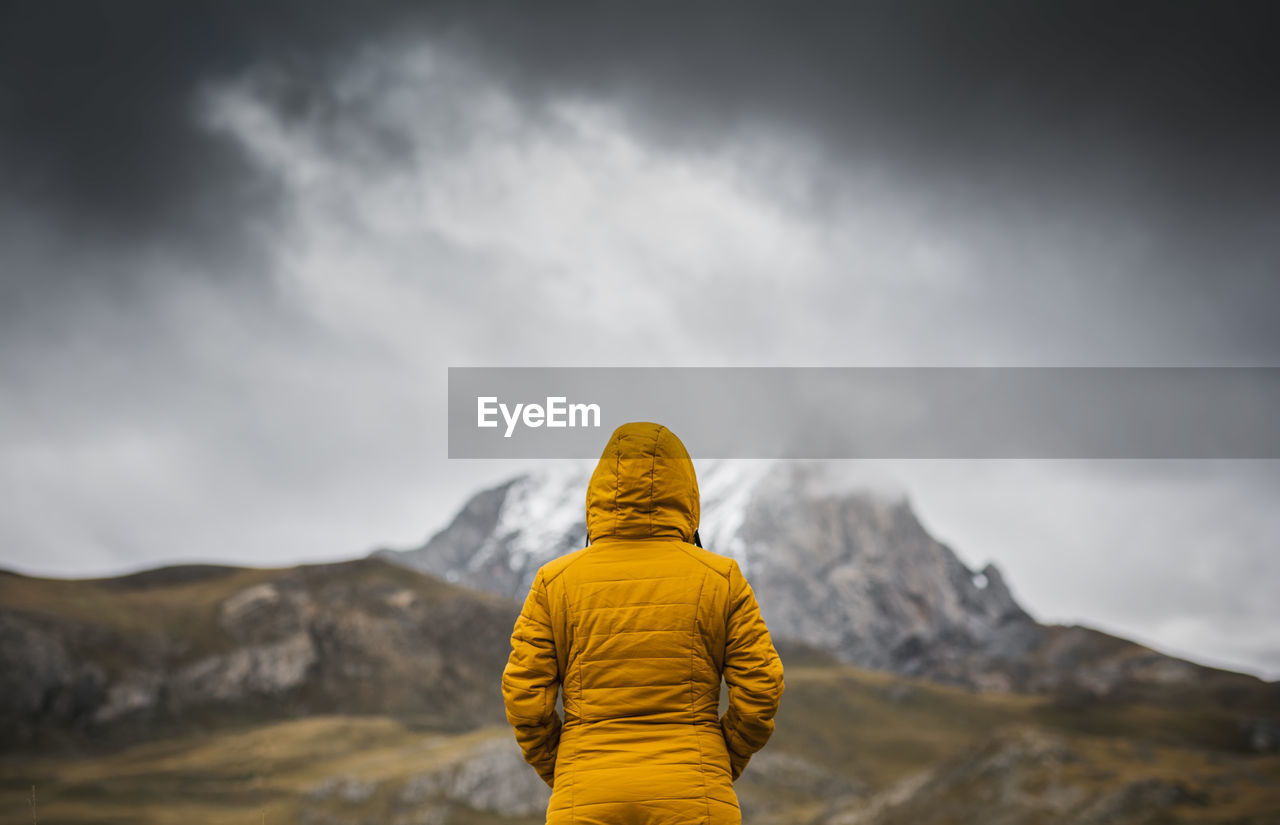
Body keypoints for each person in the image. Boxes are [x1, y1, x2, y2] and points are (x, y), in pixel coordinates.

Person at [502, 421, 785, 825]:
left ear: (599, 494)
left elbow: (524, 698)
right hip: (696, 795)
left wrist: (565, 769)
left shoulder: (554, 582)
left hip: (585, 795)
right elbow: (761, 689)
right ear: (685, 493)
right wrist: (719, 761)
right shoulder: (722, 578)